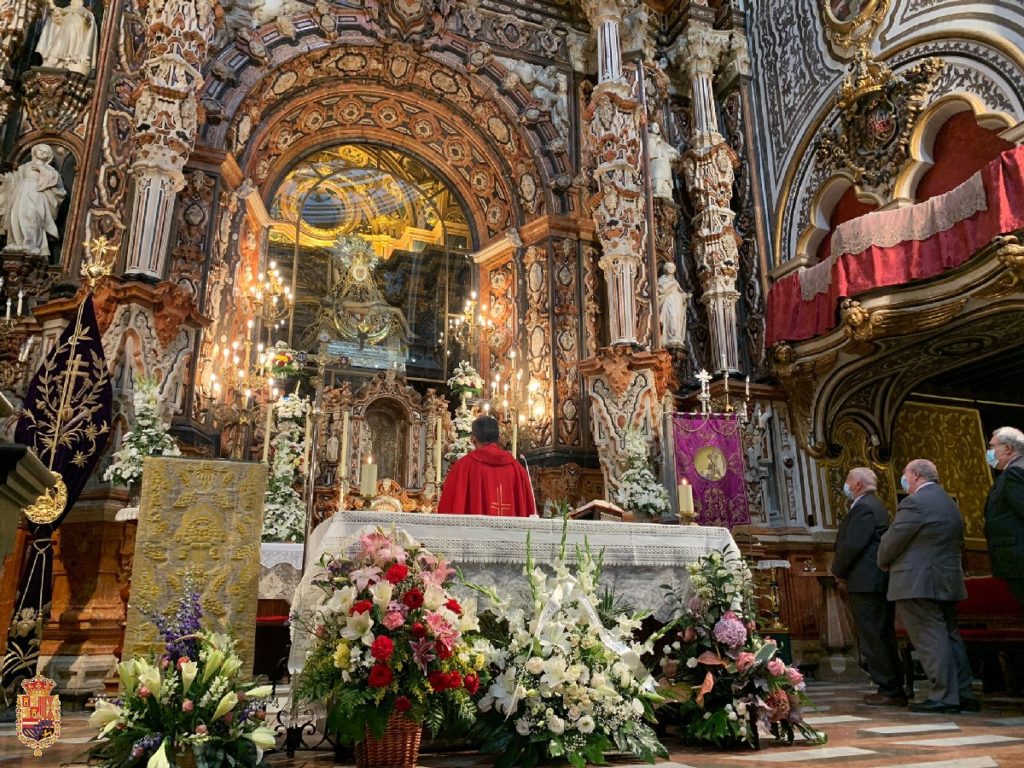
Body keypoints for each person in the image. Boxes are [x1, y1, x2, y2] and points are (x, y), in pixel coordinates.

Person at [877, 459, 978, 713]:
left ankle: (944, 696)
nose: (903, 480)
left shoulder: (915, 502)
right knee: (950, 636)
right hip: (946, 579)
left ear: (915, 476)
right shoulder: (948, 502)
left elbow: (893, 540)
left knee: (930, 639)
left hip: (918, 581)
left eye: (905, 474)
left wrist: (883, 561)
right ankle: (963, 692)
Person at [832, 467, 905, 705]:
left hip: (867, 582)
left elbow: (853, 544)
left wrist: (837, 570)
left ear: (858, 485)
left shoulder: (865, 507)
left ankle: (889, 688)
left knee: (874, 636)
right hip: (871, 581)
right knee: (880, 634)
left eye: (848, 480)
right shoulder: (873, 504)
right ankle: (893, 686)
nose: (845, 484)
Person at [437, 415, 536, 517]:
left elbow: (448, 507)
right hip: (510, 527)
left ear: (473, 438)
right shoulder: (517, 469)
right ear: (498, 438)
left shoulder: (462, 467)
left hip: (474, 528)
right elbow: (529, 510)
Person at [0, 144, 66, 257]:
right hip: (20, 193)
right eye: (40, 150)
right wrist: (5, 179)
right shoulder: (25, 167)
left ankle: (31, 243)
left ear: (49, 157)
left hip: (37, 194)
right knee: (16, 216)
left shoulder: (50, 170)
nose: (42, 153)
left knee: (32, 216)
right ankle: (16, 242)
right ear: (34, 151)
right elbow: (14, 179)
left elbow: (58, 185)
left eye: (46, 152)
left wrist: (43, 170)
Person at [983, 426, 1024, 607]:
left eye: (992, 447)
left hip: (1018, 559)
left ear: (1008, 448)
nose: (989, 452)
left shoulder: (1014, 473)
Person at [35, 0, 98, 75]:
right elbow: (55, 21)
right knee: (60, 40)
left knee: (69, 35)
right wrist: (54, 12)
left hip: (76, 37)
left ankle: (66, 61)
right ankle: (54, 60)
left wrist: (86, 18)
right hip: (63, 34)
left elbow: (90, 23)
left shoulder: (85, 12)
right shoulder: (64, 10)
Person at [658, 262, 689, 349]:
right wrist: (671, 284)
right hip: (668, 301)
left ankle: (676, 337)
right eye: (669, 267)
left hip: (676, 302)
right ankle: (670, 337)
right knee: (672, 317)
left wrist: (685, 296)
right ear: (665, 269)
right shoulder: (662, 280)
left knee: (677, 318)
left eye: (672, 267)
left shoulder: (675, 281)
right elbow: (660, 290)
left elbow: (680, 292)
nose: (671, 269)